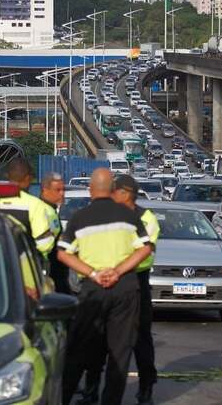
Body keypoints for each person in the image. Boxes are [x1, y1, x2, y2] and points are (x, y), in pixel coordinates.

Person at [57, 168, 151, 405]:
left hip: (94, 290)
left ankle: (64, 398)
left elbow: (63, 254)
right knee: (120, 353)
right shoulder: (129, 216)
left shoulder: (80, 217)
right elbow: (145, 248)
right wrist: (118, 271)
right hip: (126, 288)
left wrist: (94, 273)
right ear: (112, 190)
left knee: (78, 349)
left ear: (90, 190)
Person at [81, 175, 160, 405]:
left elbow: (146, 254)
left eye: (115, 192)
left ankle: (145, 389)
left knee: (141, 339)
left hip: (135, 282)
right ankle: (91, 389)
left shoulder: (146, 218)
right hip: (104, 282)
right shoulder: (109, 215)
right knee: (96, 339)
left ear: (125, 194)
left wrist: (117, 267)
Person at [0, 157, 57, 257]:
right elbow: (44, 244)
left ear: (7, 176)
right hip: (23, 267)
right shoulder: (35, 205)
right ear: (27, 178)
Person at [40, 171, 70, 294]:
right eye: (57, 190)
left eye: (63, 189)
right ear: (45, 190)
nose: (62, 193)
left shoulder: (51, 209)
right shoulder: (43, 210)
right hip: (49, 271)